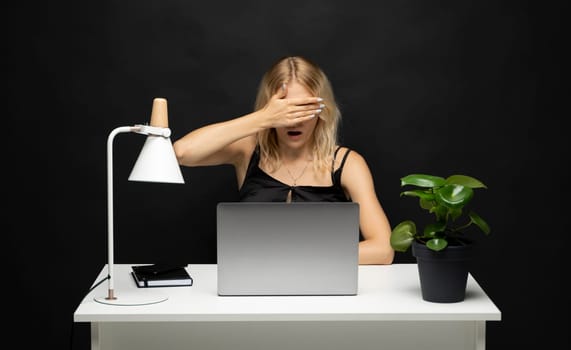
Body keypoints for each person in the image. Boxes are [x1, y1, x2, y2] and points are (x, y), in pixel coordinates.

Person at [173, 56, 394, 265]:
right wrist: (262, 118)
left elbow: (383, 249)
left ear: (321, 110)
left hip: (323, 290)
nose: (293, 121)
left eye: (303, 109)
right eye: (284, 110)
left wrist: (302, 257)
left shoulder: (347, 163)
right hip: (254, 290)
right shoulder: (248, 150)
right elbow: (182, 152)